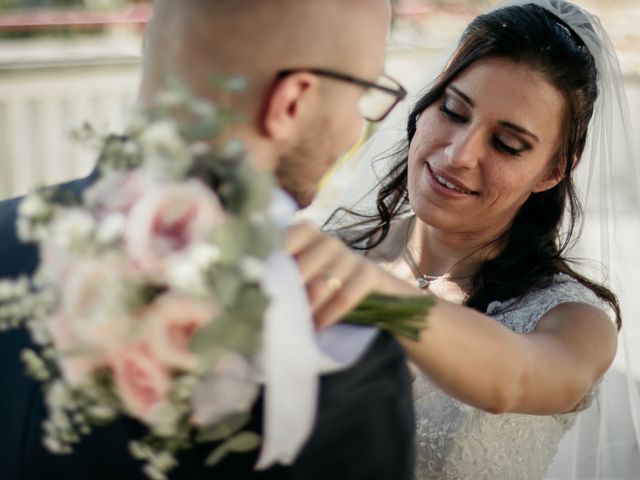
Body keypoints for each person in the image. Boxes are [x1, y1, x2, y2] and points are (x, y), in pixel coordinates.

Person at [0, 1, 416, 479]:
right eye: (362, 97)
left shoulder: (7, 229)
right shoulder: (333, 344)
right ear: (291, 103)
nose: (352, 131)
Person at [292, 0, 639, 478]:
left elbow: (512, 379)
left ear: (554, 170)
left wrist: (364, 293)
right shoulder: (331, 251)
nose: (459, 154)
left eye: (507, 144)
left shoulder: (575, 323)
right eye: (453, 111)